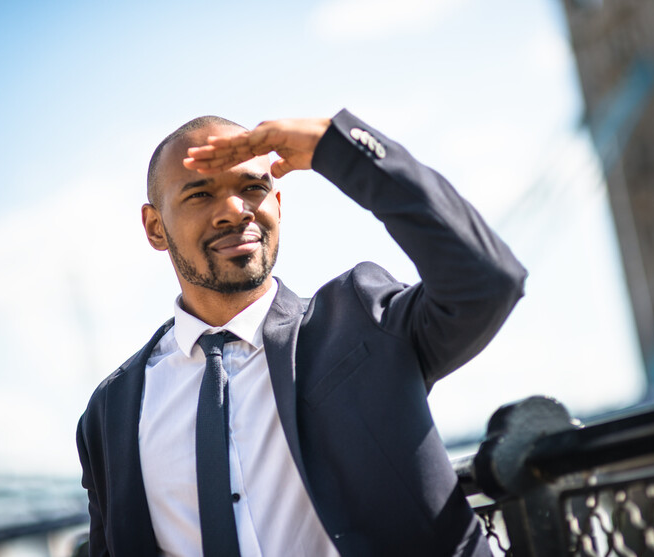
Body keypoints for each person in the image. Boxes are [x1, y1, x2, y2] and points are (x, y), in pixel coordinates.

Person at [76, 109, 527, 557]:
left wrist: (339, 149)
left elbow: (487, 281)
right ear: (156, 227)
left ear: (278, 203)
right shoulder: (110, 412)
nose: (234, 210)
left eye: (253, 188)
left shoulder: (359, 322)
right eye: (200, 194)